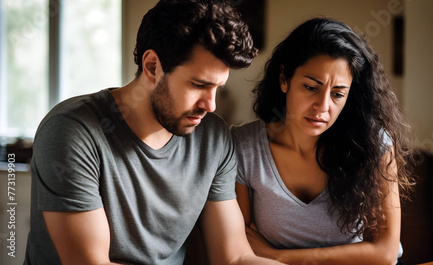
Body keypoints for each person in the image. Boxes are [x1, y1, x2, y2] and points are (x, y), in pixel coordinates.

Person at [23, 1, 285, 264]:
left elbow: (236, 258)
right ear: (152, 67)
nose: (211, 105)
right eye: (198, 85)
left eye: (217, 87)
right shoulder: (72, 131)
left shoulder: (213, 138)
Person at [232, 18, 416, 265]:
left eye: (338, 94)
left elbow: (385, 253)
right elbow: (243, 247)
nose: (323, 107)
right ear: (284, 79)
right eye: (310, 87)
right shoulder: (245, 148)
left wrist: (280, 256)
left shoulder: (373, 144)